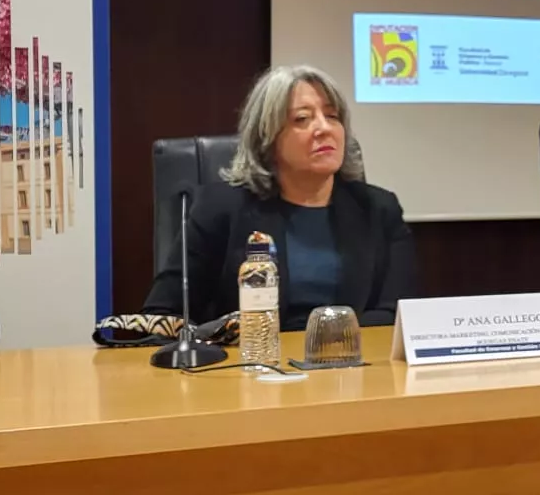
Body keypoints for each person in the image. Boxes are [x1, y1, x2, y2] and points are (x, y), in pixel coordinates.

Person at [145, 65, 413, 329]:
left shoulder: (379, 209)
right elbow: (164, 315)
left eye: (332, 116)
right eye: (302, 119)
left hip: (351, 366)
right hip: (249, 365)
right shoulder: (219, 209)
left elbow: (401, 314)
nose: (324, 128)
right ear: (267, 139)